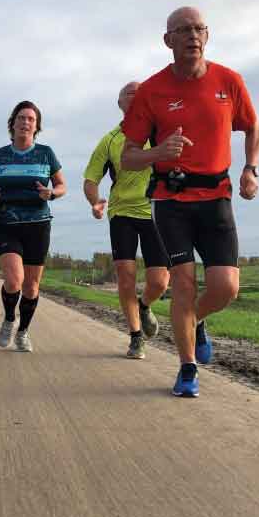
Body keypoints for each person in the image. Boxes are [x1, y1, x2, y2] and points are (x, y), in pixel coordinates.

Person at [121, 6, 259, 397]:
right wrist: (158, 152)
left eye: (199, 29)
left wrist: (251, 168)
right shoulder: (151, 91)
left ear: (207, 35)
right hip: (172, 198)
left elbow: (252, 127)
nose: (192, 36)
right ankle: (187, 369)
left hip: (216, 196)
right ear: (168, 40)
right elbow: (129, 155)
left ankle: (193, 321)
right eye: (183, 30)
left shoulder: (228, 81)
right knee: (182, 284)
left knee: (225, 287)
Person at [83, 82, 170, 359]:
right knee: (125, 275)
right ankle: (135, 336)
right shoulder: (110, 140)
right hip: (121, 212)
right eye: (128, 93)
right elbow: (90, 179)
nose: (135, 96)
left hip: (155, 211)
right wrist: (95, 200)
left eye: (140, 92)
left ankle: (144, 306)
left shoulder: (160, 131)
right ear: (119, 102)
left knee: (159, 281)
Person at [0, 101, 67, 352]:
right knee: (14, 280)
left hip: (38, 225)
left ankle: (23, 331)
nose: (26, 122)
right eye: (21, 118)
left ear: (36, 126)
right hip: (7, 222)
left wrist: (51, 194)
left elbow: (62, 186)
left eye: (31, 119)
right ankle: (10, 319)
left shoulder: (46, 153)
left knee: (31, 286)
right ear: (13, 123)